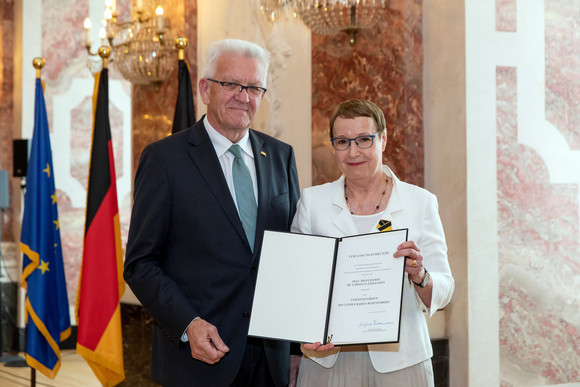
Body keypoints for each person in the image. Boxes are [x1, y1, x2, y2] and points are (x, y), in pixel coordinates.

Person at [124, 38, 300, 387]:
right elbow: (141, 264)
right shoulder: (165, 159)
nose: (243, 95)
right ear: (205, 89)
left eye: (253, 87)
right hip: (199, 359)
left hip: (271, 361)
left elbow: (291, 256)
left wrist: (295, 350)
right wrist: (189, 324)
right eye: (231, 84)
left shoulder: (282, 156)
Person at [291, 99, 454, 386]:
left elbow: (444, 289)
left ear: (383, 139)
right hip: (327, 360)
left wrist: (420, 276)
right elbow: (297, 285)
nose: (353, 152)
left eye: (364, 140)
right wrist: (302, 336)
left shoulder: (420, 203)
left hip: (402, 361)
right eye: (342, 141)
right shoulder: (313, 202)